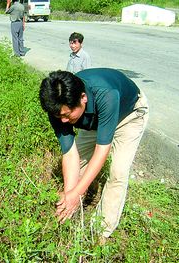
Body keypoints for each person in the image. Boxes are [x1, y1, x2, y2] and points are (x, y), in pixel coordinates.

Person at [39, 68, 149, 241]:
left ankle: (101, 232)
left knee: (117, 173)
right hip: (95, 121)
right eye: (59, 116)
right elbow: (69, 154)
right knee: (78, 167)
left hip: (128, 115)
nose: (64, 121)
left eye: (67, 115)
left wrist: (77, 192)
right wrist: (70, 194)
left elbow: (102, 150)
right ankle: (72, 212)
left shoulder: (106, 94)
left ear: (83, 98)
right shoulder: (58, 108)